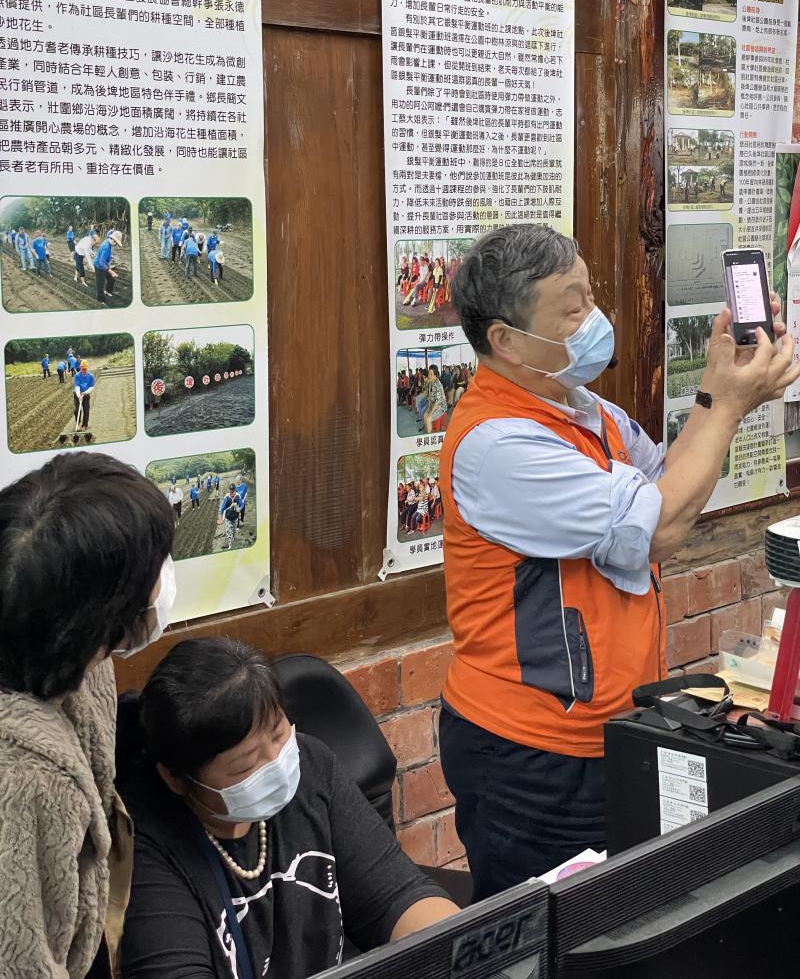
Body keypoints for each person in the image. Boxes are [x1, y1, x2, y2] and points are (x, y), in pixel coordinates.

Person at [438, 222, 800, 901]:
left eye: (591, 294)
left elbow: (672, 487)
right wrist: (726, 402)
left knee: (630, 917)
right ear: (506, 341)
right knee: (554, 940)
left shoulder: (583, 410)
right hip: (532, 750)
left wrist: (721, 383)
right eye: (572, 308)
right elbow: (659, 526)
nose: (593, 317)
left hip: (615, 727)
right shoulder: (499, 446)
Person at [119, 638, 457, 978]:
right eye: (244, 765)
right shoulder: (147, 843)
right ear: (176, 778)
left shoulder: (312, 767)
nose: (275, 765)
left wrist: (459, 950)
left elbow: (397, 895)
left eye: (279, 735)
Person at [0, 452, 174, 978]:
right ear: (105, 611)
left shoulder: (79, 660)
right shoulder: (25, 776)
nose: (164, 581)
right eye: (152, 569)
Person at [93, 230, 123, 304]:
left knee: (111, 280)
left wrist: (111, 257)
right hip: (99, 266)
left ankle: (108, 291)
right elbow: (101, 262)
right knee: (100, 284)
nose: (115, 243)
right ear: (112, 239)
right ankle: (100, 300)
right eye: (115, 242)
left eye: (116, 242)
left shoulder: (107, 240)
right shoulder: (106, 247)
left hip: (104, 265)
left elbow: (108, 233)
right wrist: (111, 271)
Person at [423, 365, 447, 434]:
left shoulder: (438, 385)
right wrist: (428, 409)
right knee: (425, 415)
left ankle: (429, 435)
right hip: (434, 405)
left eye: (431, 374)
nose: (429, 376)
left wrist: (430, 413)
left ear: (435, 375)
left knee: (428, 418)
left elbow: (437, 402)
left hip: (441, 406)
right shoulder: (431, 382)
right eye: (429, 374)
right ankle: (428, 430)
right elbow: (430, 397)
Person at [73, 359, 95, 430]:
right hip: (78, 394)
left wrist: (85, 393)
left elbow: (92, 387)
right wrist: (79, 396)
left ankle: (84, 425)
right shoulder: (77, 376)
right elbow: (77, 387)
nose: (84, 370)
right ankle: (78, 423)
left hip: (86, 394)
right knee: (77, 410)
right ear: (80, 368)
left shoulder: (91, 376)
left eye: (85, 369)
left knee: (86, 410)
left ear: (87, 368)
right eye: (82, 369)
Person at [218, 483, 241, 549]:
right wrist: (222, 517)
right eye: (230, 490)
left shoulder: (237, 496)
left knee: (233, 531)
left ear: (235, 490)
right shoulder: (227, 497)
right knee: (228, 531)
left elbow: (241, 504)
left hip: (235, 518)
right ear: (229, 490)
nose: (232, 492)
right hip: (228, 518)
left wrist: (240, 508)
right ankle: (230, 545)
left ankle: (232, 539)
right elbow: (222, 508)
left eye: (233, 490)